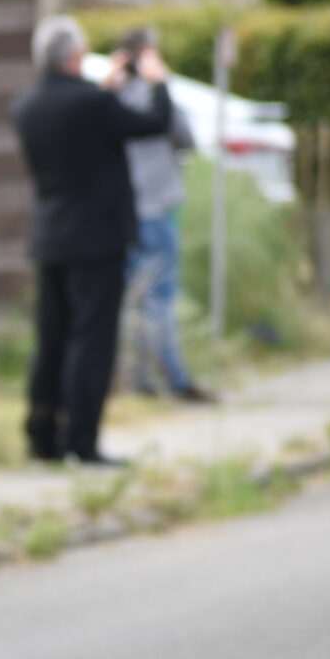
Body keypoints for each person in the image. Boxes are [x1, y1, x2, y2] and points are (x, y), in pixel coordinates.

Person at [11, 15, 178, 465]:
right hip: (97, 239)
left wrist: (105, 89)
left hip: (49, 236)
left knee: (51, 338)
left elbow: (79, 118)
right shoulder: (93, 103)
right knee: (92, 339)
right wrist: (158, 81)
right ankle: (81, 441)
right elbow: (155, 122)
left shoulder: (26, 106)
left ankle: (42, 436)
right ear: (74, 56)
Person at [114, 28, 215, 403]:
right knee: (160, 297)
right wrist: (162, 82)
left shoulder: (111, 98)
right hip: (157, 208)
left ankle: (138, 379)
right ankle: (175, 378)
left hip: (123, 214)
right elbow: (186, 138)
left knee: (132, 299)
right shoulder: (158, 96)